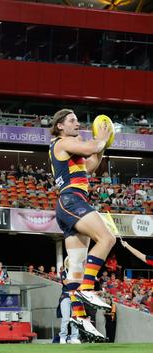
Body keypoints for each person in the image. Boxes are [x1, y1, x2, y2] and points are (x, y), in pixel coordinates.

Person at [49, 108, 114, 340]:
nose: (77, 124)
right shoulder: (62, 142)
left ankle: (81, 320)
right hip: (72, 201)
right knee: (107, 238)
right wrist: (102, 138)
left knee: (76, 270)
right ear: (60, 126)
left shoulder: (69, 151)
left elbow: (91, 165)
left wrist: (103, 145)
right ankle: (88, 290)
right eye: (72, 120)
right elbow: (92, 148)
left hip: (70, 204)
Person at [58, 261, 80, 344]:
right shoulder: (64, 272)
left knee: (75, 318)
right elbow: (66, 283)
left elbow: (80, 284)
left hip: (75, 296)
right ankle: (63, 337)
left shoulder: (77, 273)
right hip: (66, 296)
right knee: (66, 318)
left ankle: (74, 337)